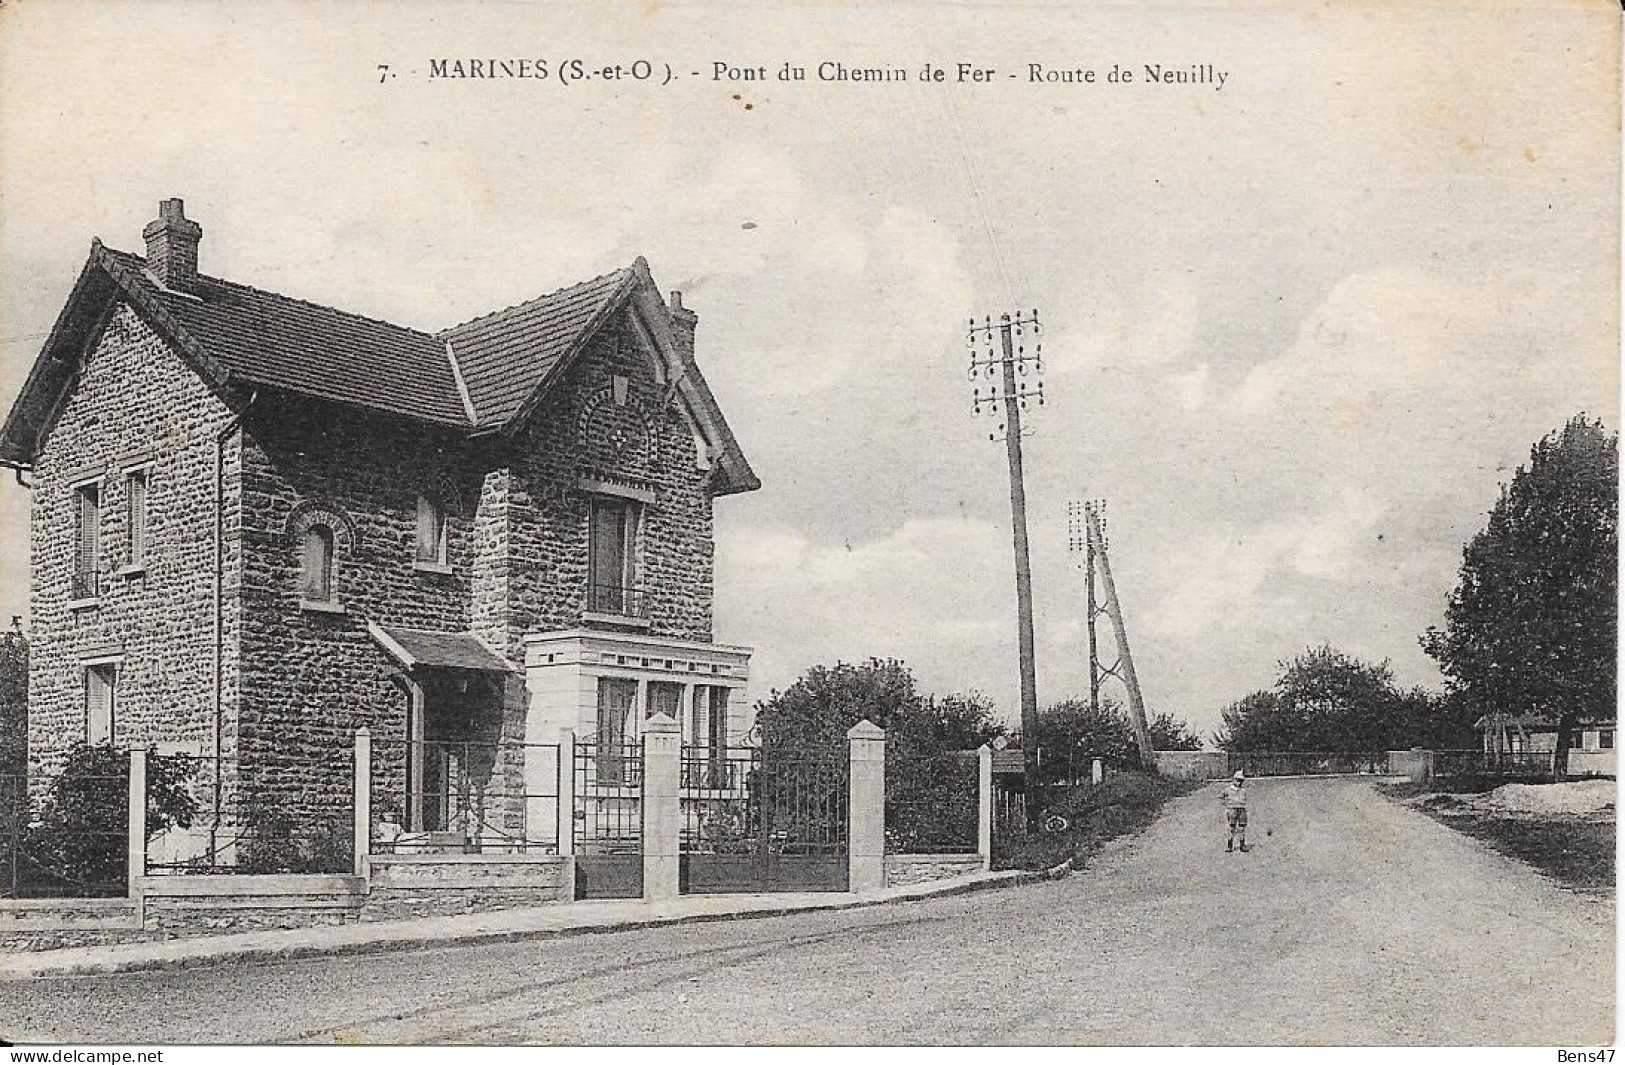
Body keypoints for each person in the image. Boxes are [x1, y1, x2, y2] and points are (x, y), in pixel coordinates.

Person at [1222, 770, 1249, 853]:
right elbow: (1221, 797)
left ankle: (1242, 845)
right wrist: (1226, 805)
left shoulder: (1243, 790)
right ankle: (1229, 845)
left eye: (1241, 780)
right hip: (1232, 809)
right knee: (1232, 827)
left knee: (1241, 827)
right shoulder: (1228, 790)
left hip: (1242, 809)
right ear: (1233, 779)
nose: (1239, 782)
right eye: (1237, 780)